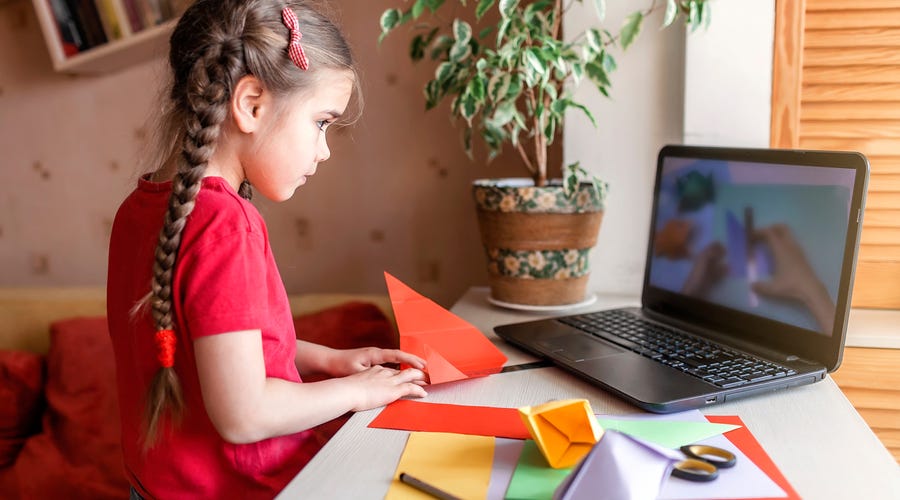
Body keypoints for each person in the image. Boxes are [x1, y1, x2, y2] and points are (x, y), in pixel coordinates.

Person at [106, 1, 428, 498]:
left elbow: (217, 346)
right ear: (252, 103)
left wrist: (327, 361)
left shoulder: (140, 208)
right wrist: (355, 393)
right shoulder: (224, 225)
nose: (324, 150)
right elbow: (244, 414)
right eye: (322, 122)